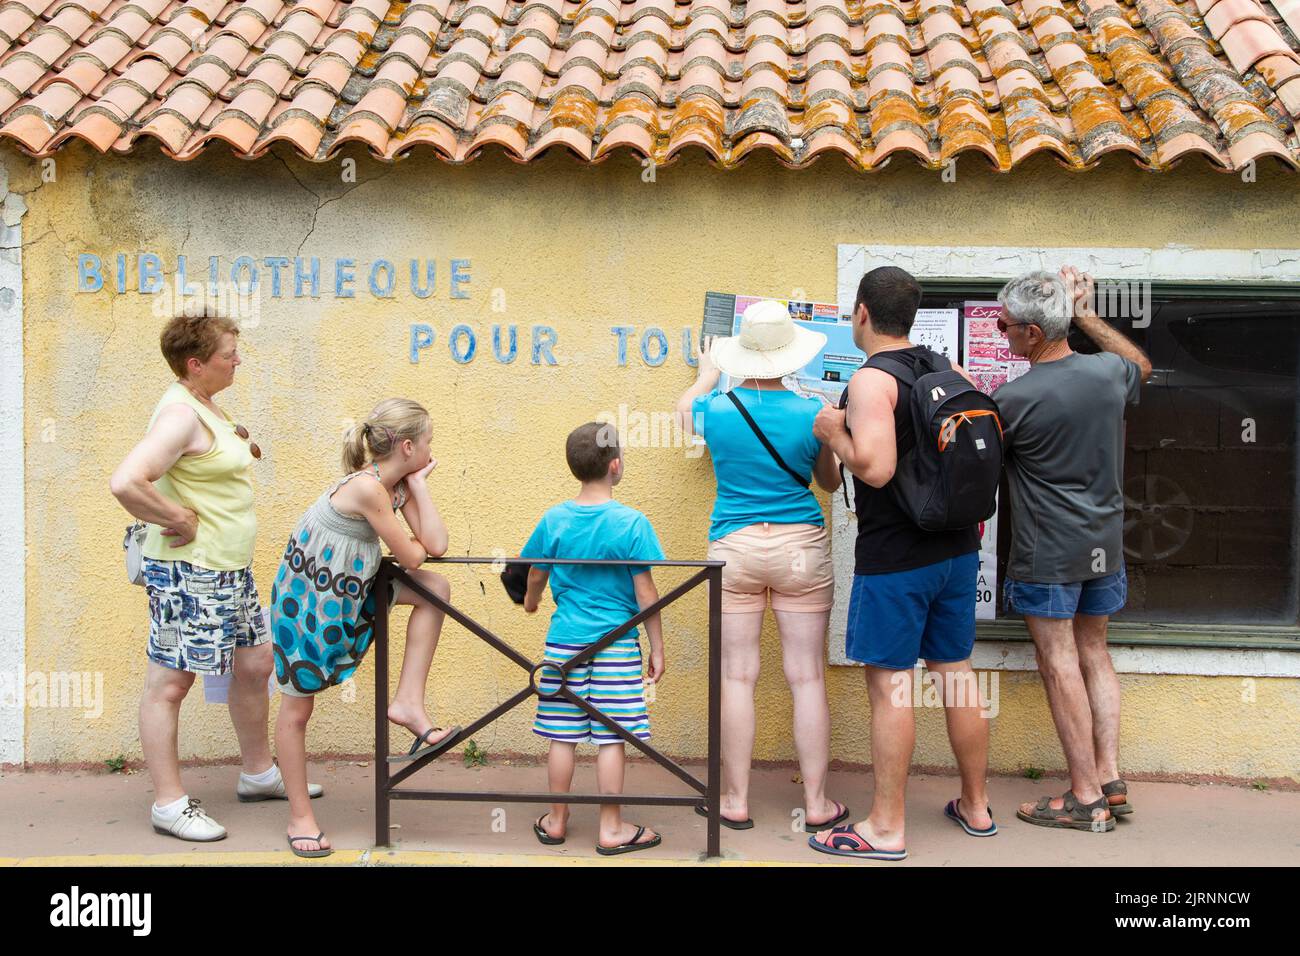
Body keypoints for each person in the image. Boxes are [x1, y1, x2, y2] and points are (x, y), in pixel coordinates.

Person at [110, 309, 321, 842]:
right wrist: (174, 517)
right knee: (171, 683)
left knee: (254, 664)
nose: (238, 361)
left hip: (229, 570)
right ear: (196, 363)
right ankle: (169, 804)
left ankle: (257, 774)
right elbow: (126, 481)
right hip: (191, 573)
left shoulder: (205, 406)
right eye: (229, 354)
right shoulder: (180, 416)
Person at [809, 267, 995, 860]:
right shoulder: (946, 367)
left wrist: (833, 432)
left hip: (896, 556)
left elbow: (877, 467)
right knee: (956, 672)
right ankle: (975, 806)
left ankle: (885, 828)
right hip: (959, 548)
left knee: (892, 685)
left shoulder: (870, 381)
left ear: (861, 311)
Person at [675, 299, 849, 833]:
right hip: (800, 546)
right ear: (790, 356)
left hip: (736, 546)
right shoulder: (815, 412)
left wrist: (706, 376)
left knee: (737, 676)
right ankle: (818, 803)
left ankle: (734, 799)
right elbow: (830, 484)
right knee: (805, 676)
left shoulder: (718, 409)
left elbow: (682, 417)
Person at [994, 267, 1152, 832]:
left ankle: (1084, 798)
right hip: (1104, 547)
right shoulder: (1109, 373)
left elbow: (979, 466)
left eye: (1004, 325)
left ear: (1032, 334)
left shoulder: (1009, 399)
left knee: (1059, 662)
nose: (1001, 333)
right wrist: (1084, 313)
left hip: (1047, 555)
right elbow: (1142, 366)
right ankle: (1108, 776)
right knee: (1095, 653)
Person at [271, 398, 457, 857]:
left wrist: (417, 486)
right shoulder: (369, 488)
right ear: (409, 446)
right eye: (429, 442)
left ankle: (409, 703)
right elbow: (412, 556)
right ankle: (299, 817)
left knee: (436, 589)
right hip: (311, 602)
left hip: (353, 588)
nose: (434, 451)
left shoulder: (395, 487)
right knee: (297, 712)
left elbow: (435, 545)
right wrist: (412, 490)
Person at [522, 422, 667, 855]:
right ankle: (611, 826)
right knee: (611, 735)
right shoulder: (632, 523)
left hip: (563, 644)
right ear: (616, 466)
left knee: (561, 734)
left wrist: (531, 601)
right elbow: (646, 594)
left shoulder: (555, 519)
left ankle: (557, 820)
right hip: (617, 646)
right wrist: (657, 646)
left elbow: (534, 571)